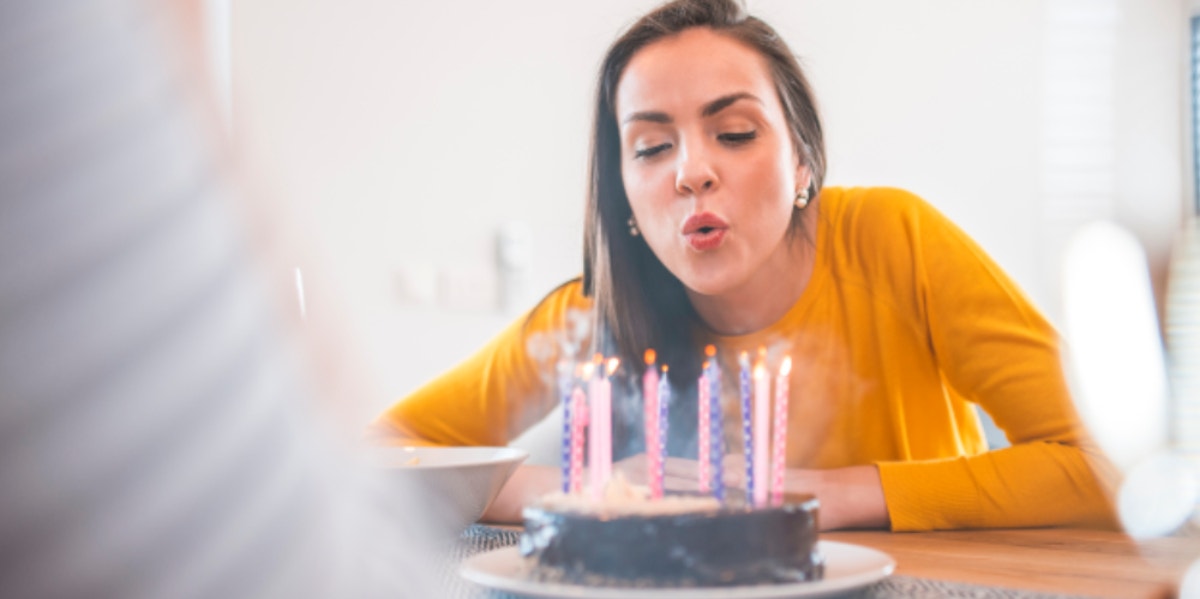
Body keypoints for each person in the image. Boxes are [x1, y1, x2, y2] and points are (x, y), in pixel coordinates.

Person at [370, 0, 1118, 532]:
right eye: (652, 147)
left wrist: (832, 493)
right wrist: (579, 487)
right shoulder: (590, 316)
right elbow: (378, 455)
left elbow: (1107, 462)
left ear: (802, 164)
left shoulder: (895, 239)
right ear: (624, 194)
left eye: (733, 131)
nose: (692, 171)